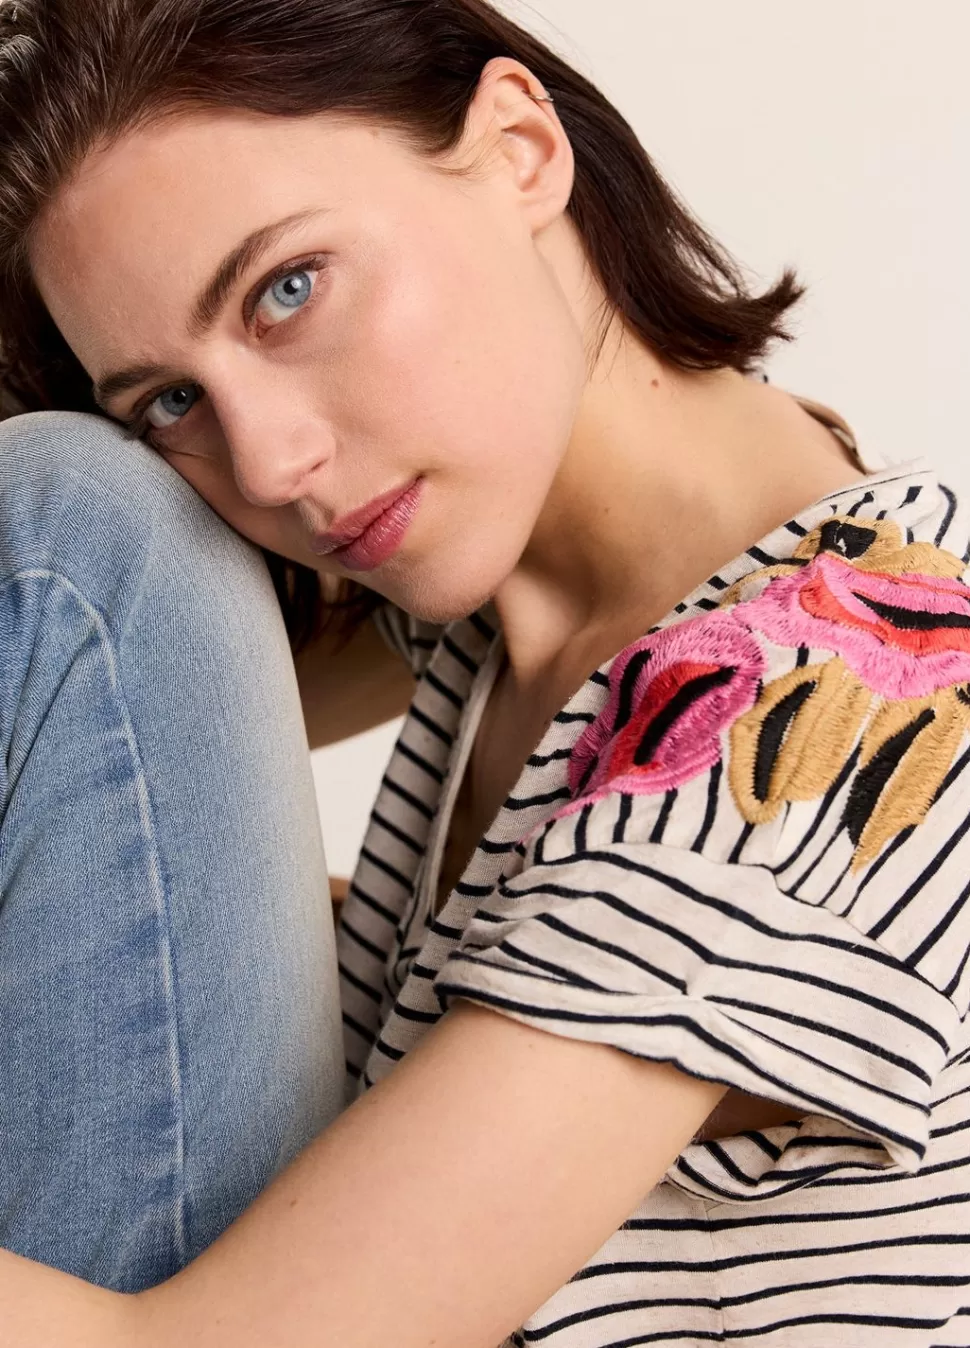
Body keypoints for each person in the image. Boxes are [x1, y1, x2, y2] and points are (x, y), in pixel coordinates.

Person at [0, 0, 968, 1343]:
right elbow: (101, 767)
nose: (270, 462)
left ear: (519, 147)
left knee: (69, 519)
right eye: (171, 400)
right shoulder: (497, 595)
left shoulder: (838, 707)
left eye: (289, 289)